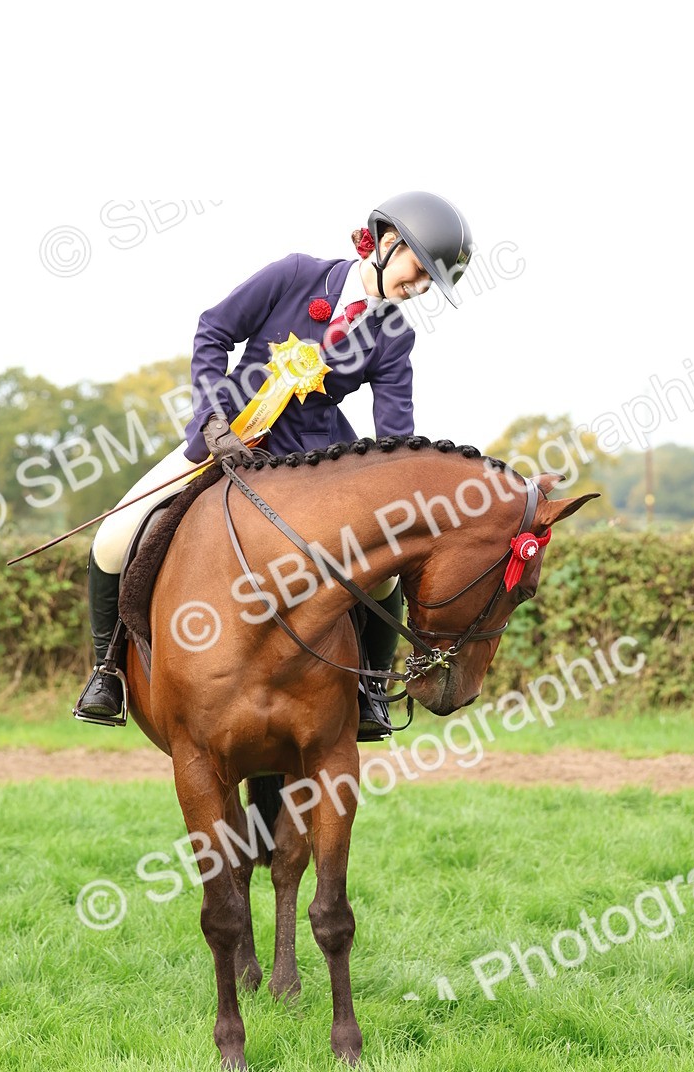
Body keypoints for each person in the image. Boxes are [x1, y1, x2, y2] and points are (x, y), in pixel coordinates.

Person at [74, 190, 473, 735]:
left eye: (430, 283)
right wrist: (213, 419)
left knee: (383, 571)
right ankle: (106, 674)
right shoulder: (295, 276)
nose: (420, 287)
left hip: (317, 459)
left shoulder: (394, 335)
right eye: (420, 270)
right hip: (229, 435)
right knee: (114, 538)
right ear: (386, 242)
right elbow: (213, 329)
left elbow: (395, 432)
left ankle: (369, 690)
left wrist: (401, 487)